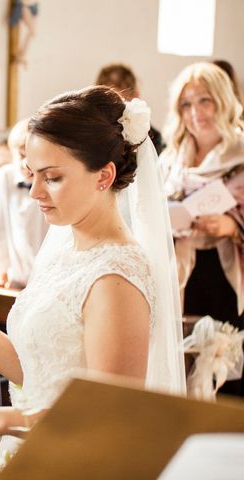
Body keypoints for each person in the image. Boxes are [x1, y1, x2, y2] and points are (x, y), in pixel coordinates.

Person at [0, 86, 186, 479]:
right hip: (32, 453)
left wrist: (3, 420)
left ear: (104, 176)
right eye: (31, 175)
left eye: (52, 178)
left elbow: (110, 414)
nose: (36, 192)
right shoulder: (64, 250)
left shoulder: (116, 276)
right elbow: (34, 368)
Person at [161, 62, 244, 396]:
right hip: (182, 276)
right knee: (185, 366)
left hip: (225, 278)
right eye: (186, 104)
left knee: (227, 376)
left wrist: (232, 226)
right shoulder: (170, 161)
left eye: (204, 101)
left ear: (223, 101)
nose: (196, 112)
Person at [0, 118, 49, 289]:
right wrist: (0, 269)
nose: (26, 164)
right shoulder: (6, 175)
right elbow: (0, 225)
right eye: (22, 155)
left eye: (33, 157)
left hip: (44, 274)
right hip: (16, 273)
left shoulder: (51, 180)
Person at [96, 63, 165, 154]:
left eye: (118, 102)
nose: (111, 110)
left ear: (135, 96)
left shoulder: (154, 138)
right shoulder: (95, 132)